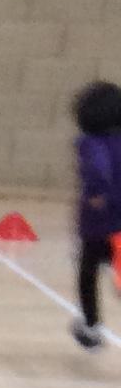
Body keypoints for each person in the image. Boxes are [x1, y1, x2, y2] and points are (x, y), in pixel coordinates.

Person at [72, 79, 121, 350]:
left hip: (100, 224)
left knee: (88, 271)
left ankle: (91, 326)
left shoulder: (91, 142)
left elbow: (97, 168)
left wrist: (96, 191)